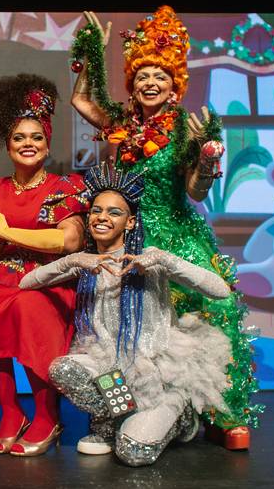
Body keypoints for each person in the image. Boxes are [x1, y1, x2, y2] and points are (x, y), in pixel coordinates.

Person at [70, 6, 258, 449]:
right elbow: (81, 101)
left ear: (175, 85)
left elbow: (194, 190)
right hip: (128, 238)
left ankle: (222, 410)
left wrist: (208, 159)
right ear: (132, 83)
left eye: (161, 76)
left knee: (210, 319)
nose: (151, 83)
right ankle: (134, 409)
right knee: (127, 329)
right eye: (142, 76)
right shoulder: (122, 125)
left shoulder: (182, 129)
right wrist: (91, 54)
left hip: (178, 239)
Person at [21, 165, 233, 466]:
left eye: (114, 212)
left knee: (133, 452)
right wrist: (75, 260)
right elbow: (26, 282)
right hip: (111, 371)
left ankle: (176, 414)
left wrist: (165, 260)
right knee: (63, 369)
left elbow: (220, 290)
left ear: (130, 222)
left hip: (157, 380)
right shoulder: (87, 263)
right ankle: (111, 423)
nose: (102, 218)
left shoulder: (150, 259)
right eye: (96, 210)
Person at [0, 74, 89, 456]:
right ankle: (12, 413)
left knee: (30, 307)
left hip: (47, 281)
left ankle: (47, 414)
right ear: (7, 145)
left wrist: (6, 230)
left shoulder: (65, 187)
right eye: (19, 137)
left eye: (36, 137)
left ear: (47, 144)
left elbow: (69, 240)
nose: (28, 144)